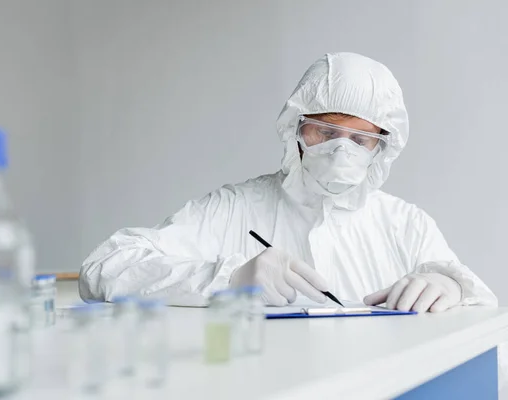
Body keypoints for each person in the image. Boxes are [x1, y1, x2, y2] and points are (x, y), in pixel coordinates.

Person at [78, 52, 497, 313]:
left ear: (382, 148)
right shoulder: (234, 209)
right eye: (326, 131)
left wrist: (453, 286)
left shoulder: (406, 224)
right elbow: (103, 268)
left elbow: (482, 314)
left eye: (361, 139)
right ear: (295, 130)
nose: (341, 150)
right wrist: (228, 279)